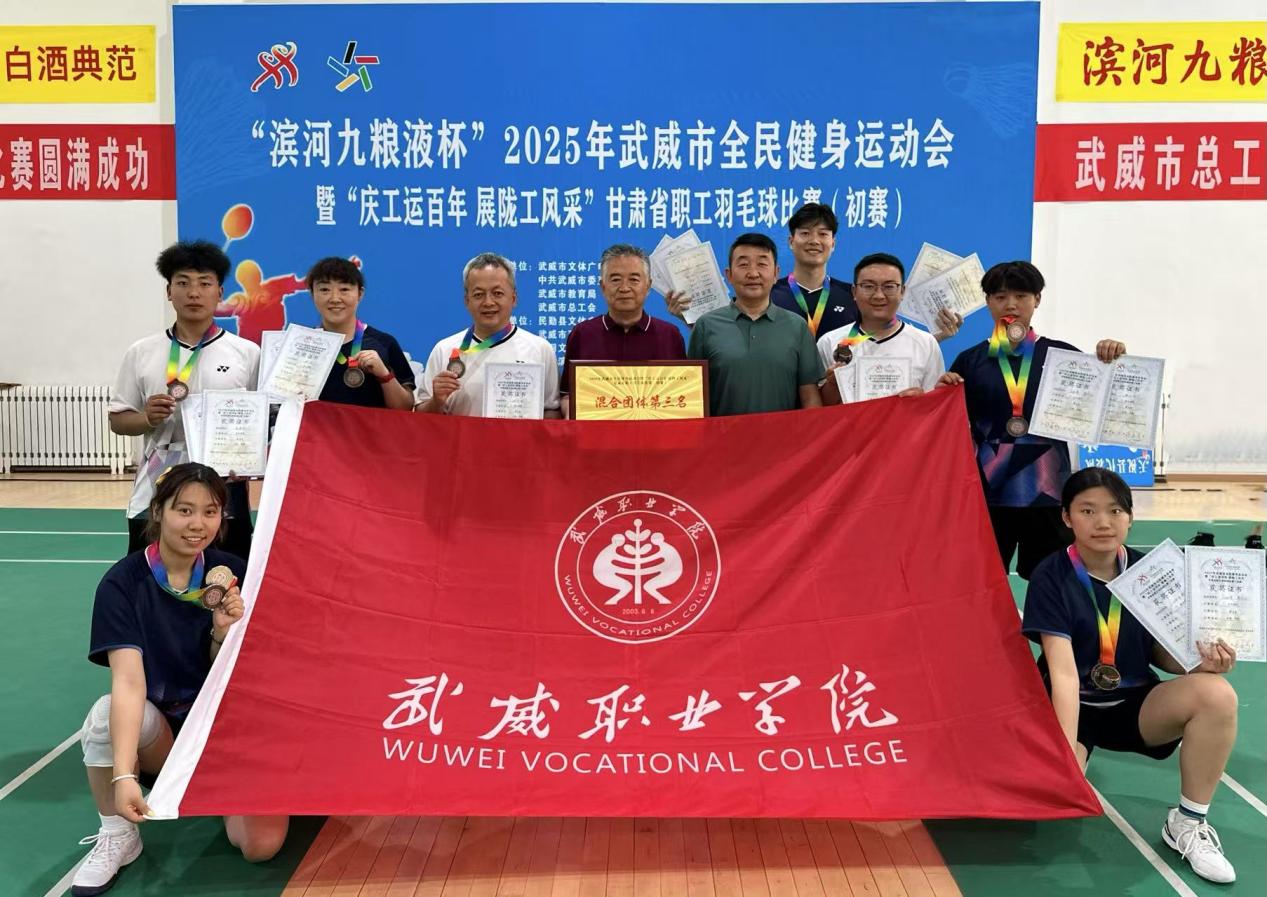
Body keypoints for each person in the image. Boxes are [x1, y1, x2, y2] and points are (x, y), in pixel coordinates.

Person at [72, 464, 287, 896]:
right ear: (158, 511)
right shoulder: (123, 584)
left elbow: (244, 675)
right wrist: (123, 775)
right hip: (165, 738)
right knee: (104, 715)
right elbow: (129, 683)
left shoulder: (236, 574)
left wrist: (222, 633)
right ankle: (118, 834)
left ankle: (216, 792)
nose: (197, 524)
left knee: (260, 846)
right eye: (184, 510)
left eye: (210, 512)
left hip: (224, 732)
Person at [1022, 468, 1238, 884]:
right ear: (1066, 517)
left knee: (1218, 694)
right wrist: (1064, 755)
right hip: (1071, 707)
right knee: (1046, 799)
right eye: (1087, 511)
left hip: (1134, 705)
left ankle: (1188, 822)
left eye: (1115, 511)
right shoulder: (1051, 576)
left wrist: (1203, 665)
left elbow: (1161, 653)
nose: (1103, 522)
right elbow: (1063, 674)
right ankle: (1065, 761)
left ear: (1130, 517)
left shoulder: (1151, 572)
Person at [937, 261, 1126, 579]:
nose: (1011, 305)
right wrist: (943, 390)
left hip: (1048, 492)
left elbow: (1107, 403)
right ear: (988, 302)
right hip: (987, 494)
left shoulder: (1064, 357)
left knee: (1051, 581)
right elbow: (948, 425)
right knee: (981, 579)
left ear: (1037, 299)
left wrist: (1112, 358)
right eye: (1000, 297)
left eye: (1021, 296)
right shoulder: (969, 361)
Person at [109, 241, 259, 560]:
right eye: (183, 283)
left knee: (227, 581)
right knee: (150, 581)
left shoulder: (247, 353)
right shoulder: (141, 352)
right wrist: (146, 418)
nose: (194, 293)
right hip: (156, 490)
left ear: (219, 292)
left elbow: (263, 422)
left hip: (225, 493)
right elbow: (118, 420)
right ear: (169, 291)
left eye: (204, 283)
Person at [665, 202, 961, 341]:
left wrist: (937, 337)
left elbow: (883, 341)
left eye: (823, 234)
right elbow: (731, 337)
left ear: (833, 243)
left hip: (840, 404)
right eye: (805, 233)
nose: (814, 241)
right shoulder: (765, 294)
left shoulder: (855, 295)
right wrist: (688, 319)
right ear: (791, 241)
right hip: (783, 404)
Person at [686, 233, 823, 416]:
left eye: (762, 264)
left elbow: (810, 397)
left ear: (776, 274)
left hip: (783, 435)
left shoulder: (797, 327)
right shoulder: (706, 325)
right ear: (729, 275)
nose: (753, 273)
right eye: (743, 264)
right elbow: (692, 397)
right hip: (722, 435)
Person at [417, 252, 561, 417]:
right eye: (478, 295)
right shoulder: (444, 349)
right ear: (467, 300)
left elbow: (552, 410)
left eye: (497, 293)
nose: (488, 302)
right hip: (460, 436)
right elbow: (420, 416)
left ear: (513, 298)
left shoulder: (540, 349)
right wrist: (437, 401)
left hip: (520, 435)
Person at [560, 244, 686, 417]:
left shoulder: (670, 335)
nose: (624, 288)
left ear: (648, 286)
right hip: (597, 432)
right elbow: (567, 395)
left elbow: (682, 395)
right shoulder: (582, 334)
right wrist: (572, 414)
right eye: (615, 279)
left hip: (655, 433)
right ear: (602, 286)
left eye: (634, 279)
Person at [816, 252, 944, 404]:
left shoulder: (926, 343)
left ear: (902, 291)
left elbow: (936, 407)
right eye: (868, 286)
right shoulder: (829, 342)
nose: (879, 295)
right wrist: (832, 385)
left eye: (889, 287)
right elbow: (817, 410)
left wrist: (921, 400)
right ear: (854, 292)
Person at [306, 256, 416, 409]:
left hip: (371, 426)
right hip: (314, 426)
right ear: (312, 294)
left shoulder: (384, 343)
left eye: (344, 289)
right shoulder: (300, 346)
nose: (335, 298)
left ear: (360, 293)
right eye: (324, 290)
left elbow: (405, 408)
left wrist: (384, 375)